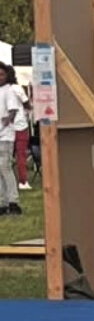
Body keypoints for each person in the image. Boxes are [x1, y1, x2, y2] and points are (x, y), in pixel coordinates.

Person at [0, 67, 24, 214]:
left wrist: (8, 120)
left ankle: (13, 201)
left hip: (5, 136)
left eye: (2, 74)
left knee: (5, 167)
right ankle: (3, 202)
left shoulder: (9, 90)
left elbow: (13, 110)